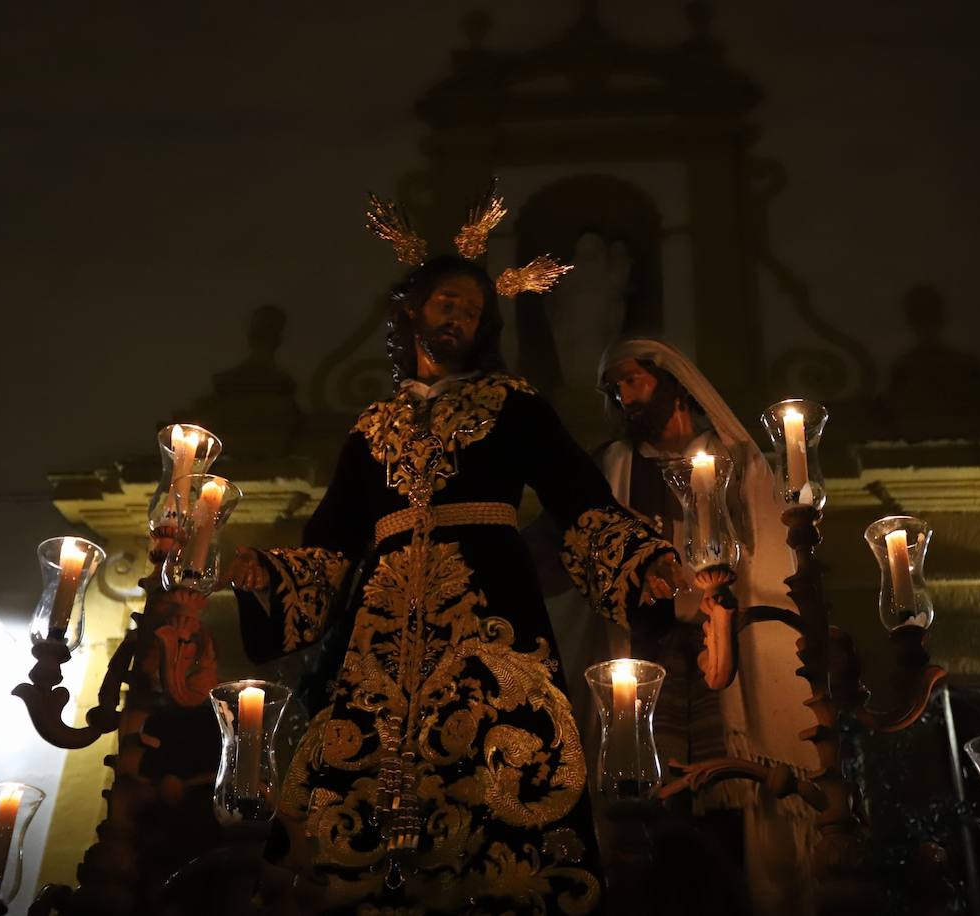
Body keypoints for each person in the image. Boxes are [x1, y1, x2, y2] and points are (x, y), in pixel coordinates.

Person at [222, 201, 680, 913]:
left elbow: (577, 498)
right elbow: (332, 542)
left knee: (502, 776)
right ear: (409, 313)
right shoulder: (372, 427)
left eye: (469, 309)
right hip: (381, 625)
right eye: (445, 302)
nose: (457, 318)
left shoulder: (514, 403)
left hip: (490, 609)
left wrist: (640, 559)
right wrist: (267, 576)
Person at [591, 337, 819, 914]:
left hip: (729, 645)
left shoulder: (735, 460)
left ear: (671, 380)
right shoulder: (614, 469)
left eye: (633, 380)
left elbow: (766, 547)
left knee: (734, 794)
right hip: (648, 652)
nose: (623, 395)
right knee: (649, 793)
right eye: (615, 387)